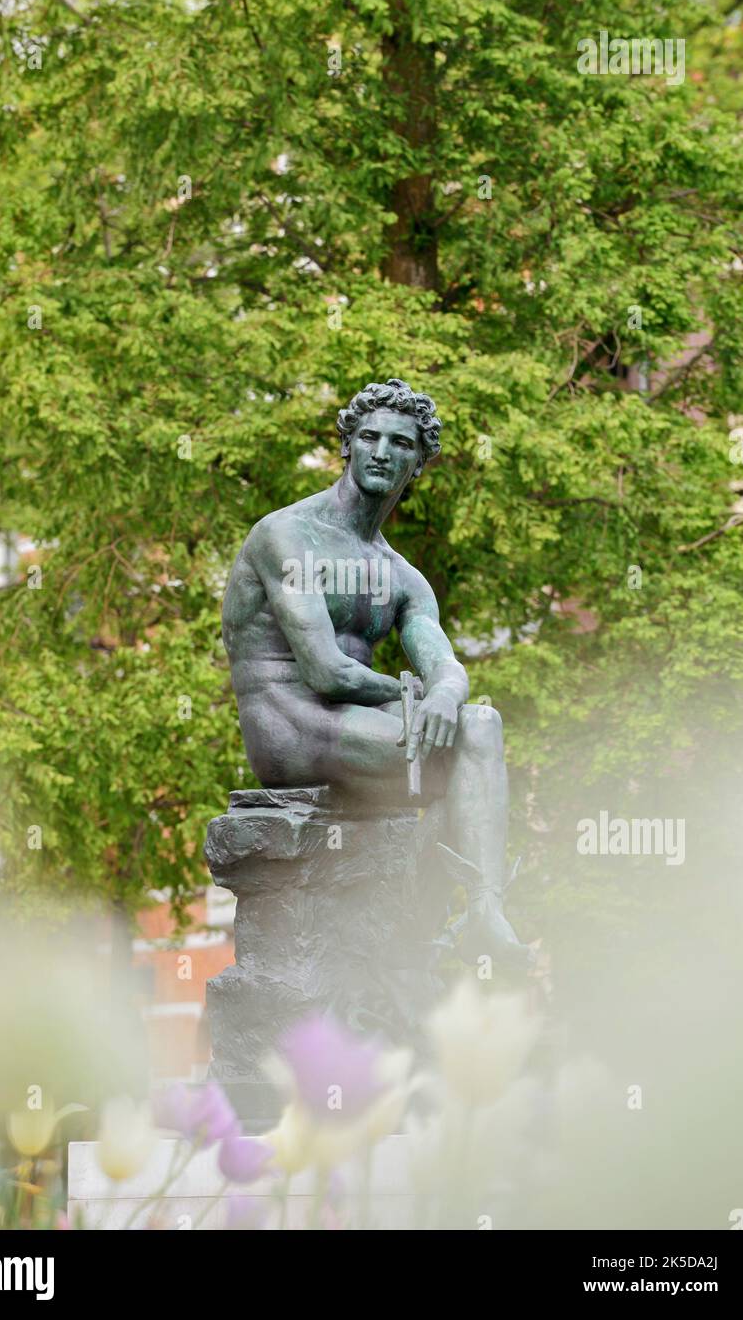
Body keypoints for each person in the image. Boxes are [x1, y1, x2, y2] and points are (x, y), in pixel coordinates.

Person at [222, 377, 533, 971]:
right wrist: (412, 695)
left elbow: (443, 661)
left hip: (354, 724)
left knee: (481, 727)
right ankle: (415, 929)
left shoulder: (400, 574)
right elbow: (325, 670)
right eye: (368, 437)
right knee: (457, 757)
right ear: (347, 446)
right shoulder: (286, 535)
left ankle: (483, 909)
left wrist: (443, 694)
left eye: (400, 443)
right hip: (290, 722)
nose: (382, 452)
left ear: (419, 462)